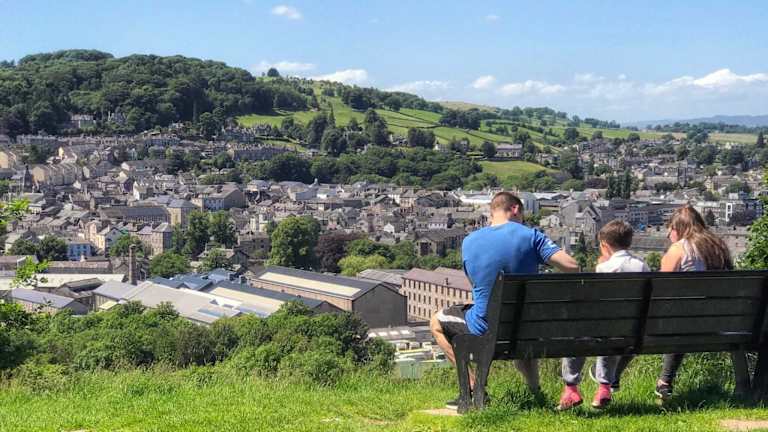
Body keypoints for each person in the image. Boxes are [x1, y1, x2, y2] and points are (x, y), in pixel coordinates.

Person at [430, 191, 579, 410]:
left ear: (493, 212)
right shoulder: (531, 236)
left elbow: (476, 285)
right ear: (516, 209)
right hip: (526, 327)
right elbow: (572, 266)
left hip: (485, 328)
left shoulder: (469, 241)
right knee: (521, 321)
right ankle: (535, 393)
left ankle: (473, 386)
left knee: (436, 322)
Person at [558, 220, 649, 411]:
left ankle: (571, 388)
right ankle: (604, 388)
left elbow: (596, 304)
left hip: (606, 328)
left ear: (605, 245)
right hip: (633, 329)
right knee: (612, 331)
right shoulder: (642, 266)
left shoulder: (604, 268)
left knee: (578, 334)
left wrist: (600, 266)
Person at [653, 205, 732, 401]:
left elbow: (660, 289)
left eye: (671, 228)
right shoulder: (719, 247)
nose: (668, 233)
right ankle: (664, 382)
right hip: (724, 322)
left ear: (679, 228)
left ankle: (610, 380)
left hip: (685, 324)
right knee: (685, 317)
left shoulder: (679, 249)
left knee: (679, 317)